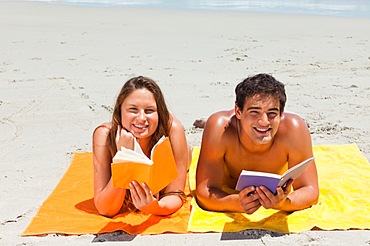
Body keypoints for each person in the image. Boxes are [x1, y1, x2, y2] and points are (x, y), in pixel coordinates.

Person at [195, 73, 319, 214]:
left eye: (272, 113)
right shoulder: (220, 130)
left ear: (281, 114)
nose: (264, 122)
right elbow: (205, 192)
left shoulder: (294, 129)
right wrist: (235, 203)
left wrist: (283, 203)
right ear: (238, 111)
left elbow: (310, 190)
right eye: (255, 112)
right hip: (231, 186)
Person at [93, 76, 190, 217]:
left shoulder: (173, 130)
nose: (141, 118)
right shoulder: (104, 135)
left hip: (182, 153)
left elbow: (175, 194)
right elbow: (106, 209)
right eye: (133, 109)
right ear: (120, 110)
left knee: (186, 159)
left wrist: (154, 207)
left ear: (159, 113)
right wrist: (124, 158)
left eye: (149, 110)